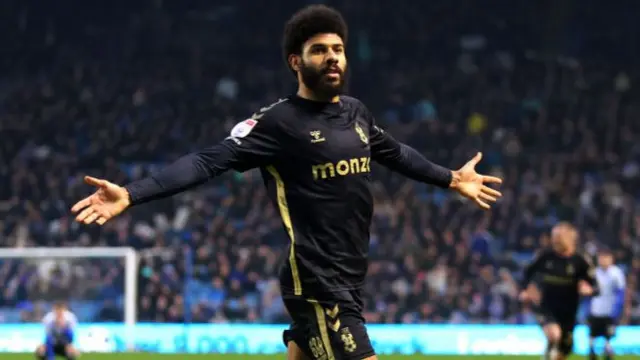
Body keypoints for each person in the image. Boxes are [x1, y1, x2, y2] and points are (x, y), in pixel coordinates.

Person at [70, 5, 503, 360]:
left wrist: (451, 179)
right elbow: (208, 160)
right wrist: (131, 193)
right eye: (320, 50)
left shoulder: (356, 113)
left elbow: (397, 154)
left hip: (350, 272)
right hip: (317, 277)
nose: (333, 57)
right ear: (297, 61)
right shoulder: (275, 123)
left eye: (339, 49)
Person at [519, 222, 598, 360]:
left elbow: (596, 286)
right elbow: (527, 273)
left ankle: (549, 355)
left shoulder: (580, 260)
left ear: (570, 237)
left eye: (558, 236)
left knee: (564, 351)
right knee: (554, 334)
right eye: (554, 236)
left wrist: (589, 290)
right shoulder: (545, 256)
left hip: (569, 311)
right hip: (546, 307)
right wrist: (526, 289)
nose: (555, 240)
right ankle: (550, 350)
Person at [587, 248, 625, 360]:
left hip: (609, 310)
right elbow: (588, 291)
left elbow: (620, 291)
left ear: (611, 259)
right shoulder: (594, 272)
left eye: (606, 258)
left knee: (608, 334)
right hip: (596, 309)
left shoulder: (616, 273)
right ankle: (592, 351)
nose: (603, 260)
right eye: (601, 258)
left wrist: (617, 308)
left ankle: (608, 351)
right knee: (593, 333)